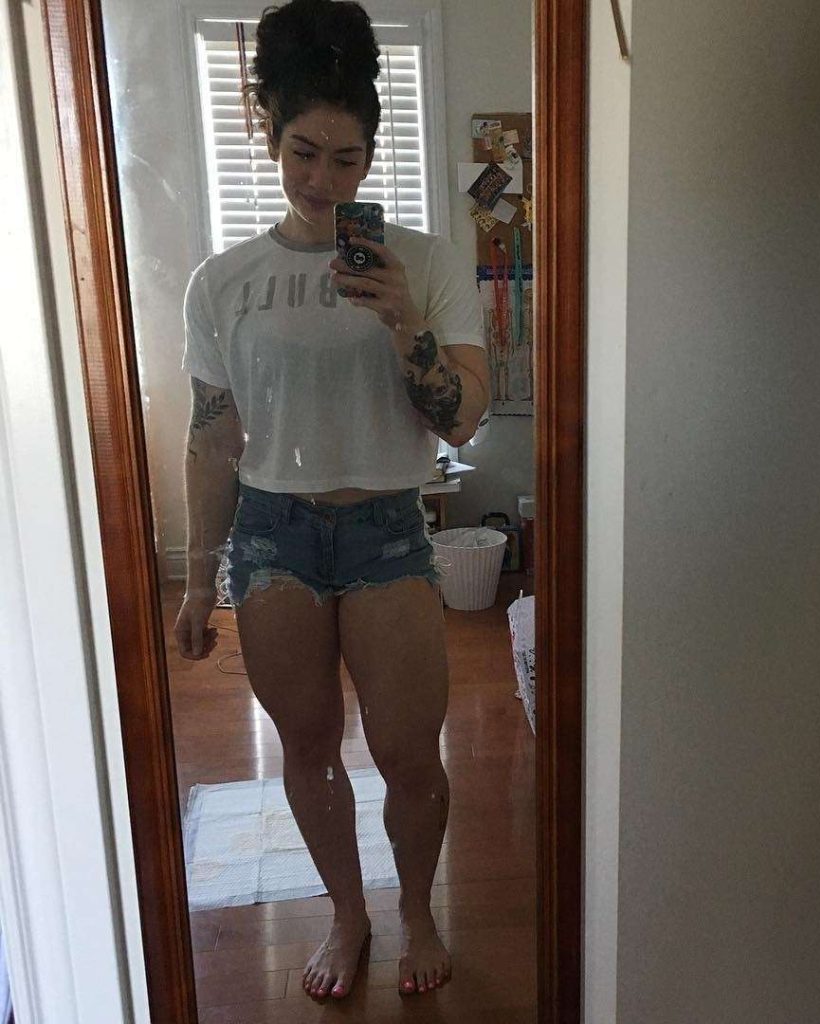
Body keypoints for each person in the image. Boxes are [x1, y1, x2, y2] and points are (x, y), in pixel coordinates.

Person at [172, 0, 488, 1001]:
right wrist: (198, 579)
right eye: (304, 153)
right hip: (273, 536)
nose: (324, 181)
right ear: (269, 138)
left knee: (410, 755)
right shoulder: (222, 282)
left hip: (388, 527)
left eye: (347, 159)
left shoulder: (426, 262)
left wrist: (404, 323)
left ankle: (418, 909)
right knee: (307, 749)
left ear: (370, 156)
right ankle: (349, 914)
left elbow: (463, 420)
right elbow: (213, 438)